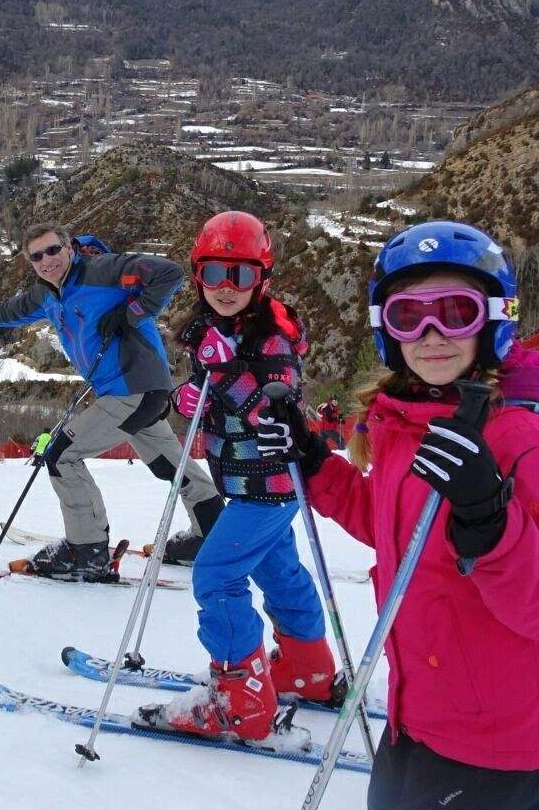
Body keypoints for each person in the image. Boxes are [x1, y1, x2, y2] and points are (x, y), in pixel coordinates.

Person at [295, 220, 539, 809]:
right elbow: (393, 528)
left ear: (495, 319)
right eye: (409, 315)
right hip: (423, 710)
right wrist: (313, 460)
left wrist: (489, 522)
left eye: (457, 312)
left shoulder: (521, 437)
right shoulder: (406, 422)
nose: (432, 335)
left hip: (500, 743)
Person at [138, 211, 339, 742]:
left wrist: (224, 375)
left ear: (262, 278)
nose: (226, 287)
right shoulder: (216, 331)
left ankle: (241, 703)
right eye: (214, 273)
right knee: (279, 570)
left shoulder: (273, 340)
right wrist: (192, 398)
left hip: (270, 485)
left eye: (242, 274)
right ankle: (308, 669)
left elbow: (276, 413)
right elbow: (216, 396)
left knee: (216, 575)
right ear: (198, 274)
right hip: (249, 485)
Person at [0, 222, 223, 580]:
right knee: (170, 463)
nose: (47, 260)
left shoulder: (102, 271)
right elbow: (6, 312)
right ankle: (211, 534)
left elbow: (169, 273)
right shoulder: (47, 295)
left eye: (53, 250)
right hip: (136, 391)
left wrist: (132, 314)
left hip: (130, 389)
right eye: (37, 256)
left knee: (61, 455)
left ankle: (86, 551)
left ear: (69, 247)